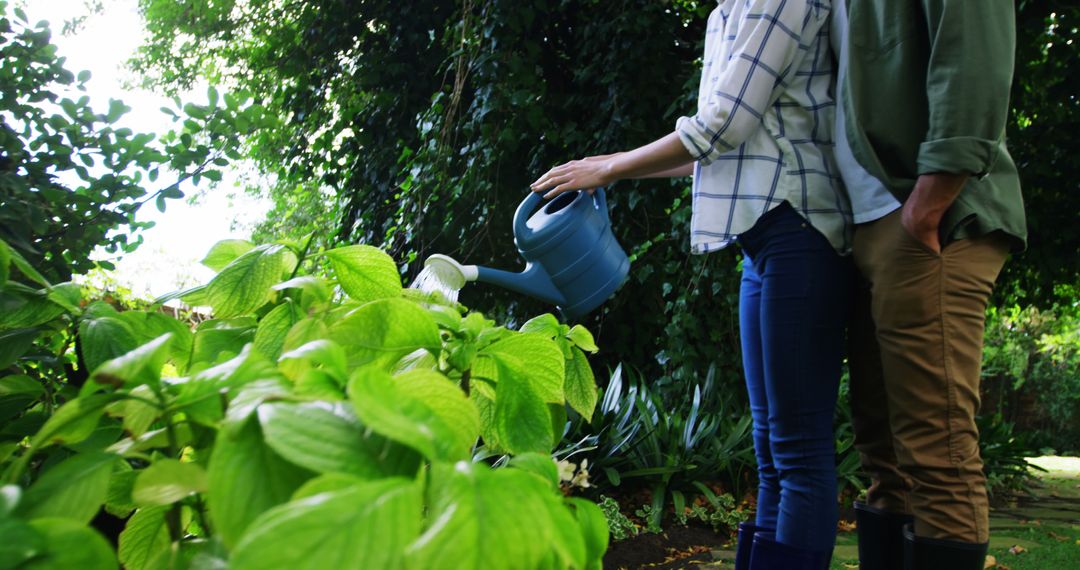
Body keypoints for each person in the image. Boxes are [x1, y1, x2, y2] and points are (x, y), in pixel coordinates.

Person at [531, 1, 850, 568]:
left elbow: (725, 121)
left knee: (798, 451)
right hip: (762, 237)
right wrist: (608, 163)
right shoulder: (728, 11)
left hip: (800, 224)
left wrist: (611, 167)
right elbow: (712, 146)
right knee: (771, 453)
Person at [832, 1, 1027, 569]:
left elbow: (974, 56)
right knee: (883, 458)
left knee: (935, 456)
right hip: (870, 227)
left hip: (929, 221)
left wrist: (931, 199)